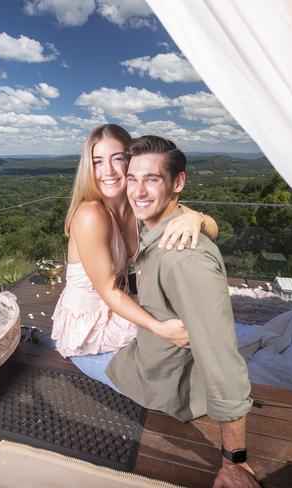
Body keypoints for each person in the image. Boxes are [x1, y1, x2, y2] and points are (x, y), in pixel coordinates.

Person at [106, 135, 259, 487]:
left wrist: (234, 460)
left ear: (178, 182)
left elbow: (222, 361)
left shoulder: (185, 260)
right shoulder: (159, 228)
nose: (138, 191)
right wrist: (200, 217)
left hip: (158, 388)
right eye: (133, 179)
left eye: (152, 179)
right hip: (141, 359)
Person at [50, 124, 218, 389]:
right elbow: (108, 291)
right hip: (90, 333)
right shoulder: (91, 215)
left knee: (201, 350)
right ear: (88, 169)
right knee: (169, 384)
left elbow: (213, 230)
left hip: (121, 310)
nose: (108, 171)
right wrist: (159, 328)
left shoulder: (136, 204)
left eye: (118, 159)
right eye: (98, 162)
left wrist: (195, 219)